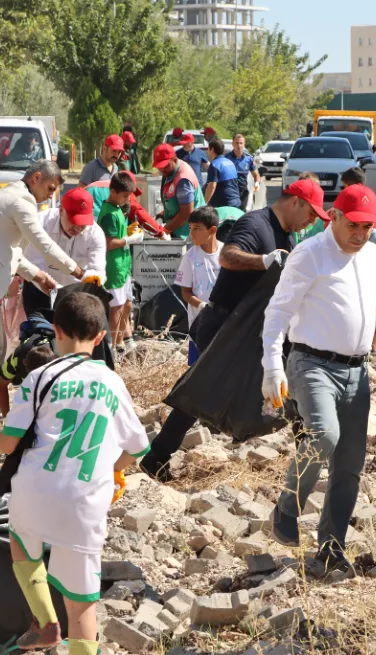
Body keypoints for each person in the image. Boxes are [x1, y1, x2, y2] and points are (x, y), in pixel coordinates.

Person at [261, 184, 376, 572]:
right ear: (335, 217)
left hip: (356, 371)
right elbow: (277, 313)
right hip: (311, 364)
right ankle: (286, 509)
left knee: (349, 464)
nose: (360, 234)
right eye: (354, 226)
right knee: (324, 434)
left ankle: (330, 548)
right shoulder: (309, 255)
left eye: (367, 227)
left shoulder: (368, 254)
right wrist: (272, 366)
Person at [0, 292, 149, 655]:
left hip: (36, 489)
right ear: (101, 336)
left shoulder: (39, 376)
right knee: (82, 605)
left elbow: (8, 442)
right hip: (86, 500)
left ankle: (43, 622)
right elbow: (138, 447)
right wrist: (114, 471)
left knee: (22, 544)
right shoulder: (112, 381)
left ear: (55, 330)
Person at [139, 180, 329, 482]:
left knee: (289, 383)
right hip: (224, 323)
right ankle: (156, 457)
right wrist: (263, 260)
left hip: (252, 327)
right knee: (201, 391)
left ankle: (309, 461)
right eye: (311, 214)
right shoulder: (255, 223)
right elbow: (227, 256)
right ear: (296, 202)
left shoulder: (287, 237)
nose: (312, 222)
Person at [0, 160, 95, 429]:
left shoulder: (9, 198)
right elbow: (41, 242)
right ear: (35, 178)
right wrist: (79, 271)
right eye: (50, 188)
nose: (50, 195)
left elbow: (12, 253)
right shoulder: (20, 201)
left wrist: (38, 275)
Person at [21, 188, 107, 318]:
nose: (77, 228)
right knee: (39, 332)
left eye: (83, 224)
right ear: (61, 210)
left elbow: (99, 271)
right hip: (40, 287)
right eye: (74, 221)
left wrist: (94, 278)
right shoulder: (40, 224)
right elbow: (36, 264)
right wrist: (57, 291)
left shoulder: (95, 234)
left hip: (76, 293)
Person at [98, 172, 143, 351]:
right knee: (116, 307)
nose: (126, 200)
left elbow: (118, 235)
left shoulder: (118, 208)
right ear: (113, 192)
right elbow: (108, 243)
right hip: (114, 265)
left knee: (128, 303)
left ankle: (125, 339)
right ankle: (114, 345)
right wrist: (129, 240)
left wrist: (129, 233)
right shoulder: (109, 213)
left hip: (123, 265)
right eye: (124, 196)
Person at [174, 207, 223, 365]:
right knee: (197, 369)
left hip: (223, 323)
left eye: (197, 228)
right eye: (190, 228)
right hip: (199, 325)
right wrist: (202, 306)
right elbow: (185, 292)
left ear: (212, 230)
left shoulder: (226, 254)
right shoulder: (190, 257)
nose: (191, 233)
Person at [154, 144, 206, 240]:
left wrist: (165, 229)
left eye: (165, 165)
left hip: (187, 235)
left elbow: (186, 214)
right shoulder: (171, 171)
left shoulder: (183, 180)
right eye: (159, 166)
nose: (162, 169)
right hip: (177, 229)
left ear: (174, 160)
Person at [204, 139, 242, 209]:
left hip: (223, 205)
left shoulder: (215, 165)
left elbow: (212, 186)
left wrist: (204, 203)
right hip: (236, 202)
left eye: (208, 148)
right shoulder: (230, 162)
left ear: (212, 149)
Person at [227, 134, 261, 211]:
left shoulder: (249, 159)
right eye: (236, 143)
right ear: (233, 144)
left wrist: (257, 183)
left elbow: (256, 175)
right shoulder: (227, 158)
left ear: (244, 144)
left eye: (241, 143)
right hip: (230, 192)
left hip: (243, 192)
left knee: (242, 215)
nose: (239, 145)